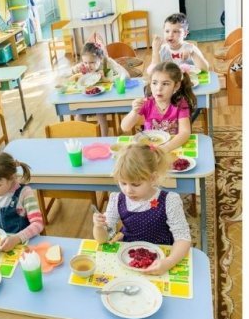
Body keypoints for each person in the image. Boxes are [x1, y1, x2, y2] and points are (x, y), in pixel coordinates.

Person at [92, 143, 191, 276]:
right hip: (128, 256)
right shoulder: (117, 199)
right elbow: (103, 239)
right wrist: (99, 227)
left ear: (153, 178)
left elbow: (183, 238)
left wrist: (169, 262)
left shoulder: (169, 200)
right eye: (123, 183)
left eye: (136, 184)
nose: (128, 190)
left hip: (161, 256)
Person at [121, 61, 196, 153]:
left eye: (165, 84)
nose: (158, 88)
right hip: (150, 150)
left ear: (176, 86)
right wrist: (134, 111)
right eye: (154, 83)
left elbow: (185, 133)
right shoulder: (146, 103)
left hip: (172, 147)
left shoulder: (180, 104)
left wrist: (165, 148)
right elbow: (125, 127)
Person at [69, 42, 129, 136]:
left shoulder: (107, 62)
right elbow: (68, 75)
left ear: (100, 58)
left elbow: (126, 75)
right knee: (79, 116)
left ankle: (104, 139)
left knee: (100, 115)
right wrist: (74, 70)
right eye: (85, 62)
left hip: (103, 99)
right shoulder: (84, 64)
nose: (88, 66)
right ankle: (84, 139)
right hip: (86, 99)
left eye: (92, 63)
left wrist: (107, 79)